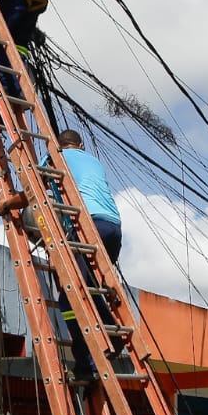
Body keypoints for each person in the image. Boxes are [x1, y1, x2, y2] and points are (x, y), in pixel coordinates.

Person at [52, 129, 122, 380]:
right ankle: (111, 330)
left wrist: (8, 204)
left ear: (60, 146)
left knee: (68, 300)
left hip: (89, 226)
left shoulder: (56, 156)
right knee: (90, 289)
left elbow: (31, 178)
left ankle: (86, 365)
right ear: (80, 144)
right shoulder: (93, 162)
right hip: (113, 229)